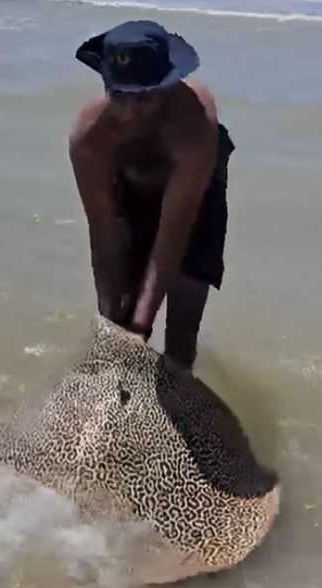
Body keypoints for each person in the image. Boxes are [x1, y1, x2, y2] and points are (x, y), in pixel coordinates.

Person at [67, 20, 234, 370]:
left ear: (167, 86)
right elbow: (103, 236)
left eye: (143, 97)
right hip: (130, 183)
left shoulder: (192, 125)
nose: (129, 112)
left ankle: (180, 383)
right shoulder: (89, 138)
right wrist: (116, 329)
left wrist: (141, 323)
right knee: (118, 318)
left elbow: (174, 235)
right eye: (120, 95)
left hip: (195, 191)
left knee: (182, 323)